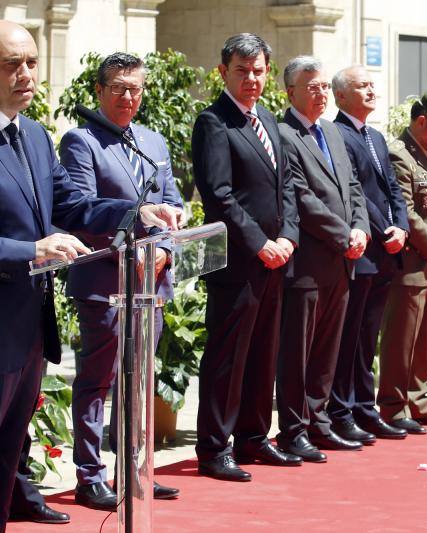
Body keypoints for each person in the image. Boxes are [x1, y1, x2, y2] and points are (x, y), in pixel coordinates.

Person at [0, 20, 178, 532]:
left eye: (32, 62)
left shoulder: (34, 134)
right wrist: (30, 251)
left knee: (2, 474)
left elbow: (71, 204)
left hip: (26, 337)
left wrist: (136, 215)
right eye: (11, 64)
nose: (25, 74)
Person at [60, 52, 183, 510]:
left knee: (139, 380)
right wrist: (134, 233)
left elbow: (173, 205)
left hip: (150, 282)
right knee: (98, 380)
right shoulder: (81, 141)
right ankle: (90, 475)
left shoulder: (153, 141)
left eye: (136, 89)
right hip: (104, 282)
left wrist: (166, 251)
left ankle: (135, 469)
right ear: (99, 92)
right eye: (119, 88)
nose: (128, 97)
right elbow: (79, 209)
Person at [192, 33, 300, 482]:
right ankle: (215, 448)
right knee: (228, 357)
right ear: (223, 73)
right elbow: (219, 195)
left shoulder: (269, 120)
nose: (252, 79)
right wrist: (260, 242)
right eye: (242, 71)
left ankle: (254, 438)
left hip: (276, 258)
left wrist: (289, 237)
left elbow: (287, 186)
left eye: (258, 71)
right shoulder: (213, 122)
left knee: (262, 353)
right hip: (238, 262)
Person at [275, 56, 370, 461]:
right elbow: (301, 197)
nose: (320, 94)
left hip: (342, 260)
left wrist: (361, 228)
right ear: (290, 92)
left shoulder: (331, 131)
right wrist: (341, 234)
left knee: (328, 349)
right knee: (299, 352)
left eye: (324, 87)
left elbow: (352, 186)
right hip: (310, 263)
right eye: (311, 87)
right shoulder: (283, 133)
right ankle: (293, 430)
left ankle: (319, 422)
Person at [327, 65, 409, 443]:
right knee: (350, 339)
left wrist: (402, 227)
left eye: (373, 85)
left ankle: (364, 407)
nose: (372, 92)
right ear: (341, 96)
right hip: (362, 250)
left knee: (368, 338)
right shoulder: (338, 134)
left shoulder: (375, 136)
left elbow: (392, 189)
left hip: (386, 251)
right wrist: (382, 229)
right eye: (362, 86)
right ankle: (341, 411)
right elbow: (355, 190)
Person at [376, 93, 427, 434]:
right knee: (401, 337)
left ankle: (421, 402)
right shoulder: (399, 154)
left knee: (426, 336)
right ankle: (394, 407)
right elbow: (405, 211)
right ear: (421, 121)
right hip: (410, 261)